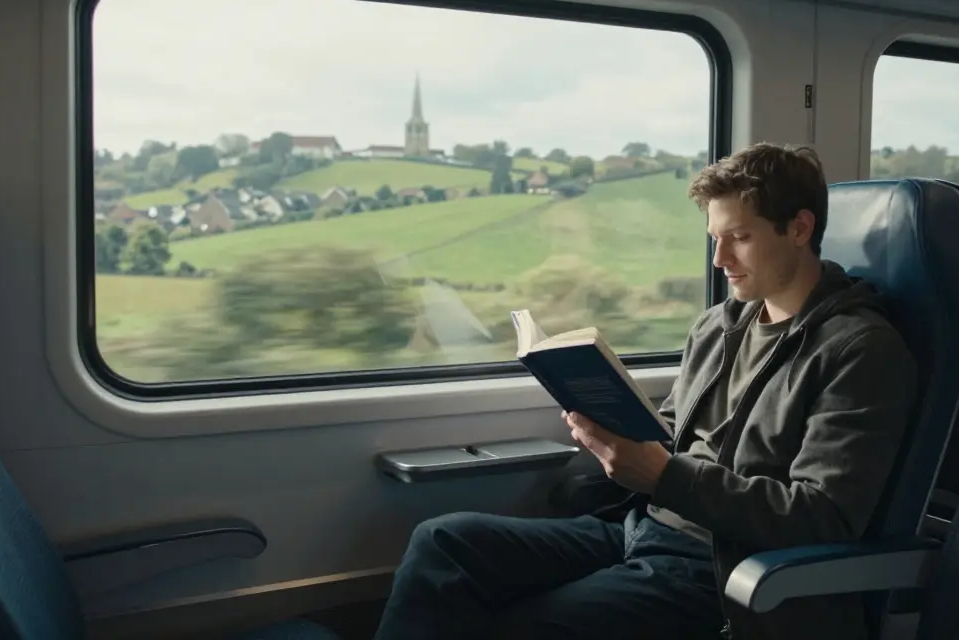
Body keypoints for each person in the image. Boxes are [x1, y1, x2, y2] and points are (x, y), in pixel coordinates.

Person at [372, 143, 917, 640]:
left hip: (726, 567)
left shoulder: (860, 349)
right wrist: (610, 431)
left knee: (521, 626)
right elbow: (671, 432)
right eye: (714, 239)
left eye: (740, 238)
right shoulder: (718, 326)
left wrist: (663, 475)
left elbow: (822, 516)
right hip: (643, 527)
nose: (719, 260)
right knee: (443, 545)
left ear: (799, 228)